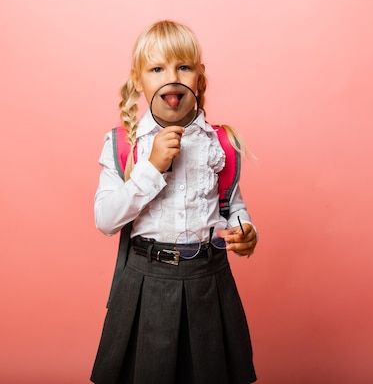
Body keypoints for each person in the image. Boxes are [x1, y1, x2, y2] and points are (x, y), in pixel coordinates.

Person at [91, 20, 258, 384]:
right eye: (157, 69)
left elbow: (231, 206)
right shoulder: (123, 144)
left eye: (183, 67)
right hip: (146, 284)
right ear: (138, 81)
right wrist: (151, 168)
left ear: (199, 76)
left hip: (209, 284)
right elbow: (105, 219)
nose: (172, 77)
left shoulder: (220, 143)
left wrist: (245, 231)